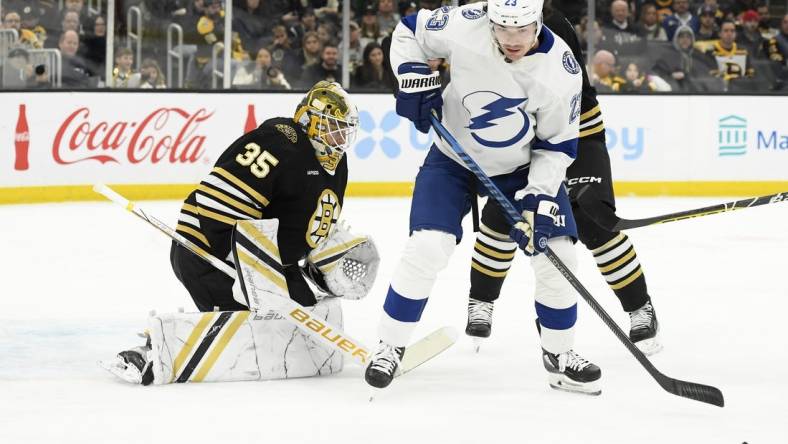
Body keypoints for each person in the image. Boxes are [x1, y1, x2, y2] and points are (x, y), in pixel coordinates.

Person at [365, 1, 602, 395]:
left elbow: (557, 148)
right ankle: (389, 345)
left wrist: (538, 198)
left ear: (537, 20)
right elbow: (409, 31)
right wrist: (409, 72)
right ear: (491, 20)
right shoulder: (466, 23)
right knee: (427, 247)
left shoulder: (561, 71)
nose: (512, 40)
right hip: (453, 157)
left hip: (522, 168)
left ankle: (560, 356)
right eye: (503, 29)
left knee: (559, 254)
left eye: (522, 30)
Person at [103, 81, 375, 386]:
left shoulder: (338, 165)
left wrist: (322, 261)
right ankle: (154, 351)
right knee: (259, 333)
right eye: (332, 128)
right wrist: (247, 272)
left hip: (269, 264)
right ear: (308, 120)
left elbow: (307, 226)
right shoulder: (279, 142)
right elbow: (218, 204)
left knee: (304, 330)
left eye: (344, 130)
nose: (339, 138)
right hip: (209, 252)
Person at [462, 1, 663, 370]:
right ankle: (482, 301)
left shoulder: (552, 25)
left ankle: (640, 308)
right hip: (518, 138)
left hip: (576, 133)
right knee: (504, 215)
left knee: (594, 222)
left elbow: (567, 101)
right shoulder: (475, 24)